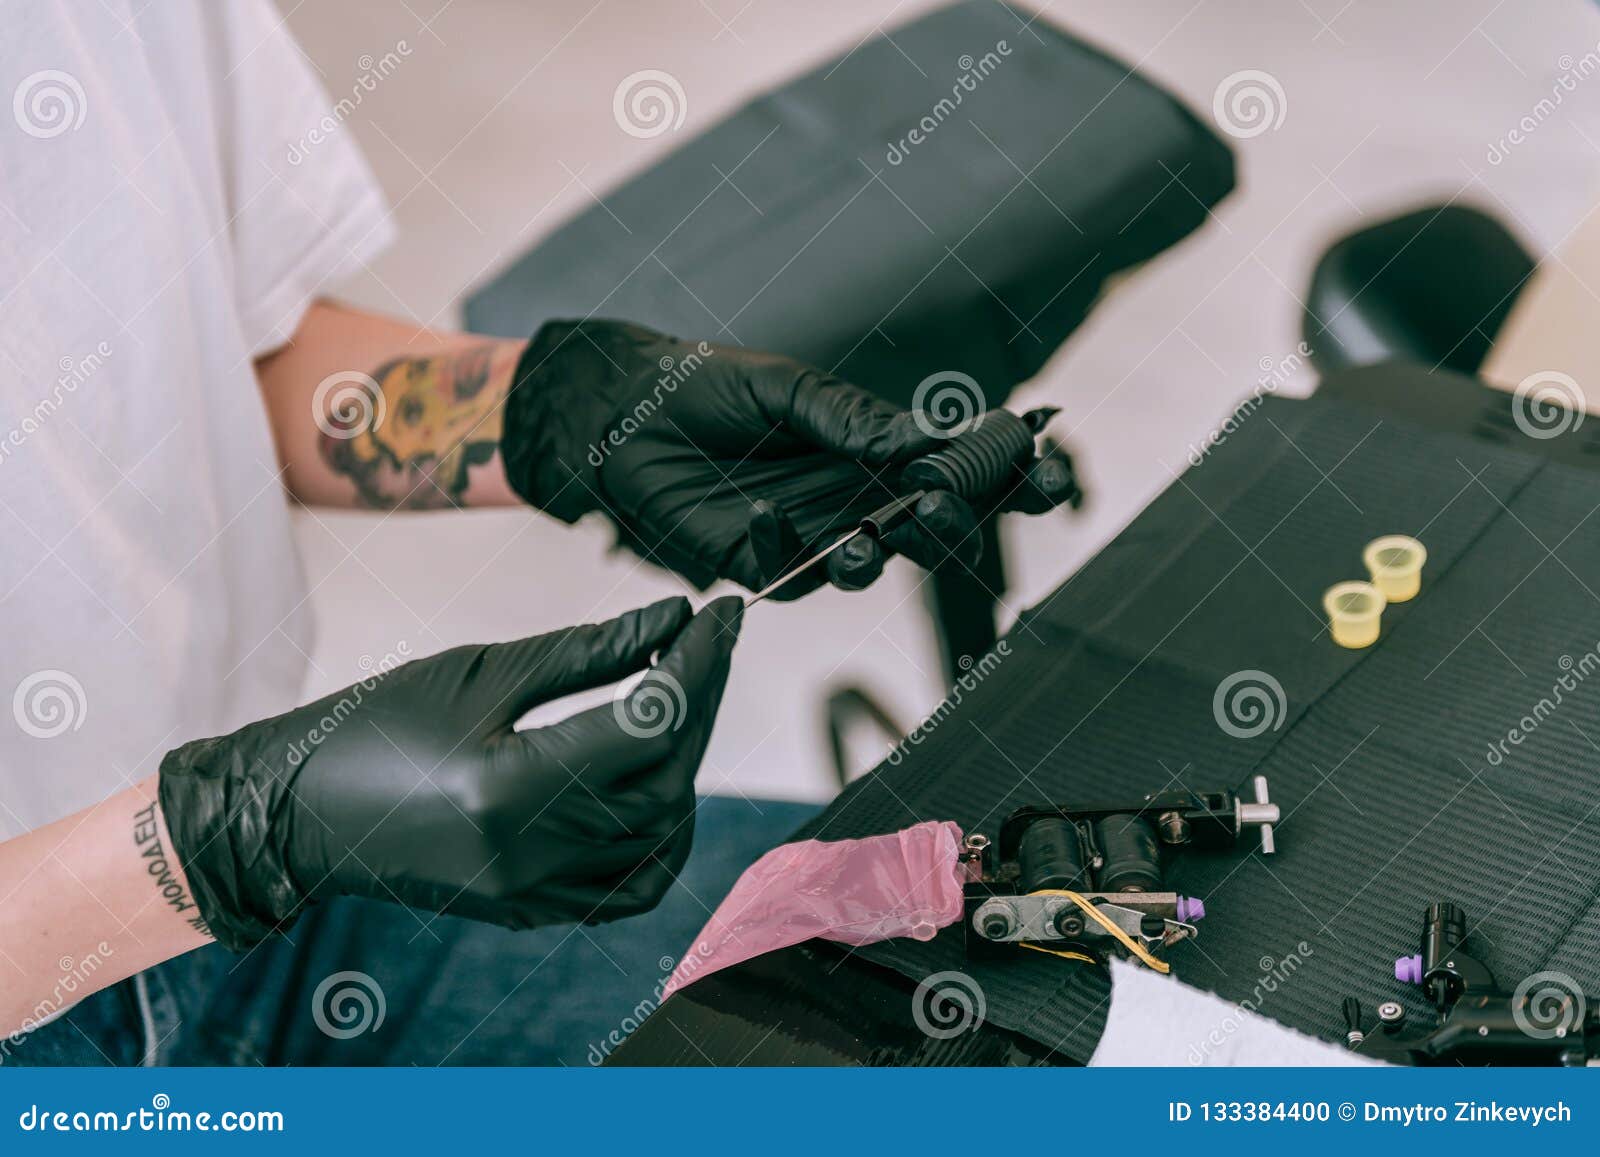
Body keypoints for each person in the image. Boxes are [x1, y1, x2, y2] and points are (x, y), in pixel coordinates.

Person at [0, 2, 1074, 1066]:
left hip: (285, 918)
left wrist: (553, 414)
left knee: (1039, 998)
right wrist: (219, 841)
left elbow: (214, 358)